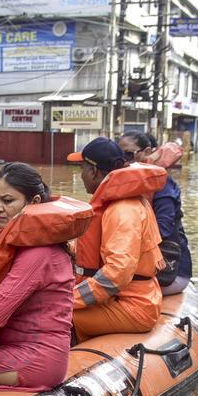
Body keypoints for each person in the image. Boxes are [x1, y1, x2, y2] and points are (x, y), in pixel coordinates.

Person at [0, 163, 82, 390]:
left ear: (34, 203)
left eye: (7, 201)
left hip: (35, 359)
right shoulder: (18, 243)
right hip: (17, 350)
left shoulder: (39, 253)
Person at [69, 137, 168, 342]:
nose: (81, 176)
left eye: (82, 169)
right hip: (128, 299)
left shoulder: (122, 210)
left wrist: (70, 300)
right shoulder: (125, 202)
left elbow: (116, 274)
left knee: (53, 316)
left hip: (131, 306)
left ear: (93, 171)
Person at [119, 132, 192, 295]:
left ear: (147, 152)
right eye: (120, 156)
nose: (124, 161)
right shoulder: (126, 186)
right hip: (138, 266)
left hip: (171, 272)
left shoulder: (163, 186)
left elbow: (163, 230)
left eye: (128, 154)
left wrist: (125, 244)